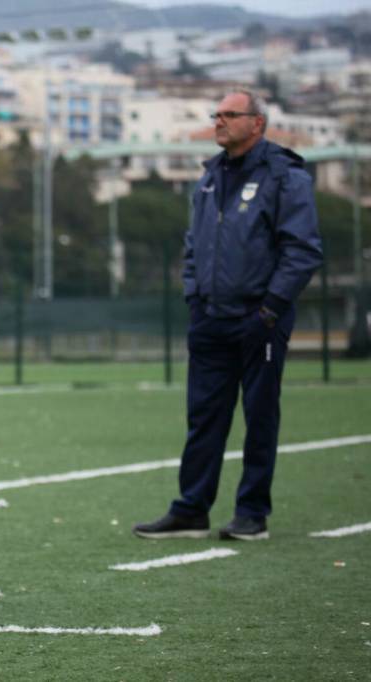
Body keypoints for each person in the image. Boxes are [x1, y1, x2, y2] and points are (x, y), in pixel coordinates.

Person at [134, 90, 322, 541]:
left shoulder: (284, 175)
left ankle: (252, 513)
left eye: (229, 114)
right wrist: (195, 298)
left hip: (261, 320)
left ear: (256, 123)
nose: (219, 121)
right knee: (204, 417)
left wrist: (270, 310)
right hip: (210, 319)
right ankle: (191, 510)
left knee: (259, 416)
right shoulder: (209, 176)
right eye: (216, 114)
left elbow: (302, 250)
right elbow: (194, 245)